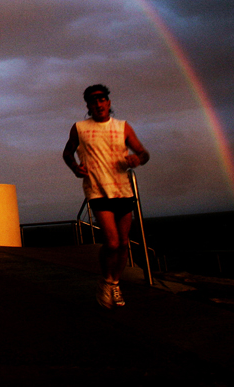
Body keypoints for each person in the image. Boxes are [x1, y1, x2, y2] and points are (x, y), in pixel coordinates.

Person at [62, 84, 149, 308]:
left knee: (123, 243)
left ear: (109, 103)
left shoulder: (123, 127)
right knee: (111, 242)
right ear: (88, 106)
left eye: (102, 99)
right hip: (97, 190)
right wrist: (74, 168)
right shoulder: (79, 128)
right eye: (94, 100)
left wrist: (137, 159)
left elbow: (143, 152)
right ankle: (105, 280)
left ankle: (113, 282)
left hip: (122, 190)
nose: (99, 103)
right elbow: (67, 152)